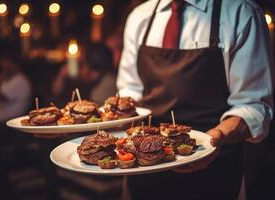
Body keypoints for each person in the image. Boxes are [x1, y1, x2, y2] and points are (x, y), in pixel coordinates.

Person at [117, 0, 273, 199]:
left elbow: (254, 106)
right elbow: (130, 92)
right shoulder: (139, 16)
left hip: (215, 173)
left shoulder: (241, 13)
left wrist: (216, 138)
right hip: (143, 172)